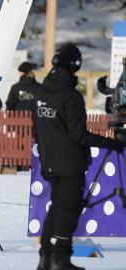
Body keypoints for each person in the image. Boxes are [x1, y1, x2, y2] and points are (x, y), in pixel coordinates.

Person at [33, 43, 125, 270]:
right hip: (70, 164)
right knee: (68, 210)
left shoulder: (42, 93)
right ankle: (60, 259)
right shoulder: (70, 96)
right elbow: (78, 135)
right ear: (75, 64)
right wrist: (112, 143)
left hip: (50, 162)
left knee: (57, 207)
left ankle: (46, 257)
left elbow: (38, 129)